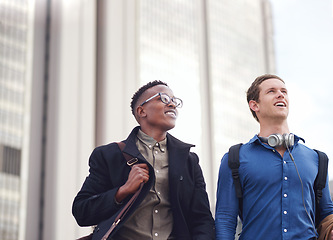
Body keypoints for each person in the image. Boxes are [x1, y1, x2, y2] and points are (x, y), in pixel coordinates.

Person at [72, 80, 215, 239]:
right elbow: (81, 211)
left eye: (175, 101)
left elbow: (202, 219)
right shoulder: (108, 155)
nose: (172, 105)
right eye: (164, 99)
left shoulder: (189, 161)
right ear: (141, 111)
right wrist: (122, 191)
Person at [215, 74, 333, 240]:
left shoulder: (317, 159)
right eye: (271, 91)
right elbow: (225, 219)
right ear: (254, 105)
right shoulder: (235, 158)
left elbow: (327, 214)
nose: (280, 94)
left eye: (284, 91)